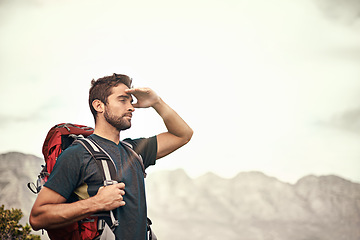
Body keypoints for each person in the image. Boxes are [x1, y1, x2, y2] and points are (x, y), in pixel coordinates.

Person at [29, 73, 193, 239]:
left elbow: (183, 134)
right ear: (99, 106)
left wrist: (156, 102)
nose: (131, 108)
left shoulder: (135, 151)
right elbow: (38, 217)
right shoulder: (77, 154)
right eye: (122, 100)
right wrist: (96, 203)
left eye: (130, 101)